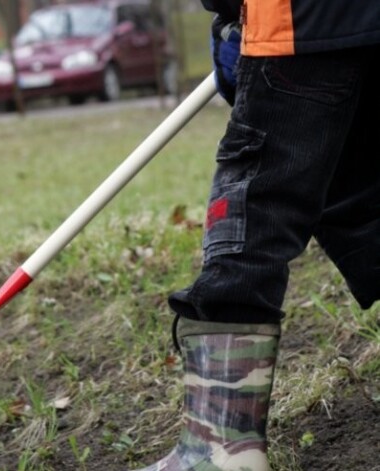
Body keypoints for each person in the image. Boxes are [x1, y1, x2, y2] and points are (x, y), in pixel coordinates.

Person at [133, 1, 380, 470]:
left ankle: (219, 449)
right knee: (360, 188)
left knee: (255, 203)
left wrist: (230, 12)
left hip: (299, 21)